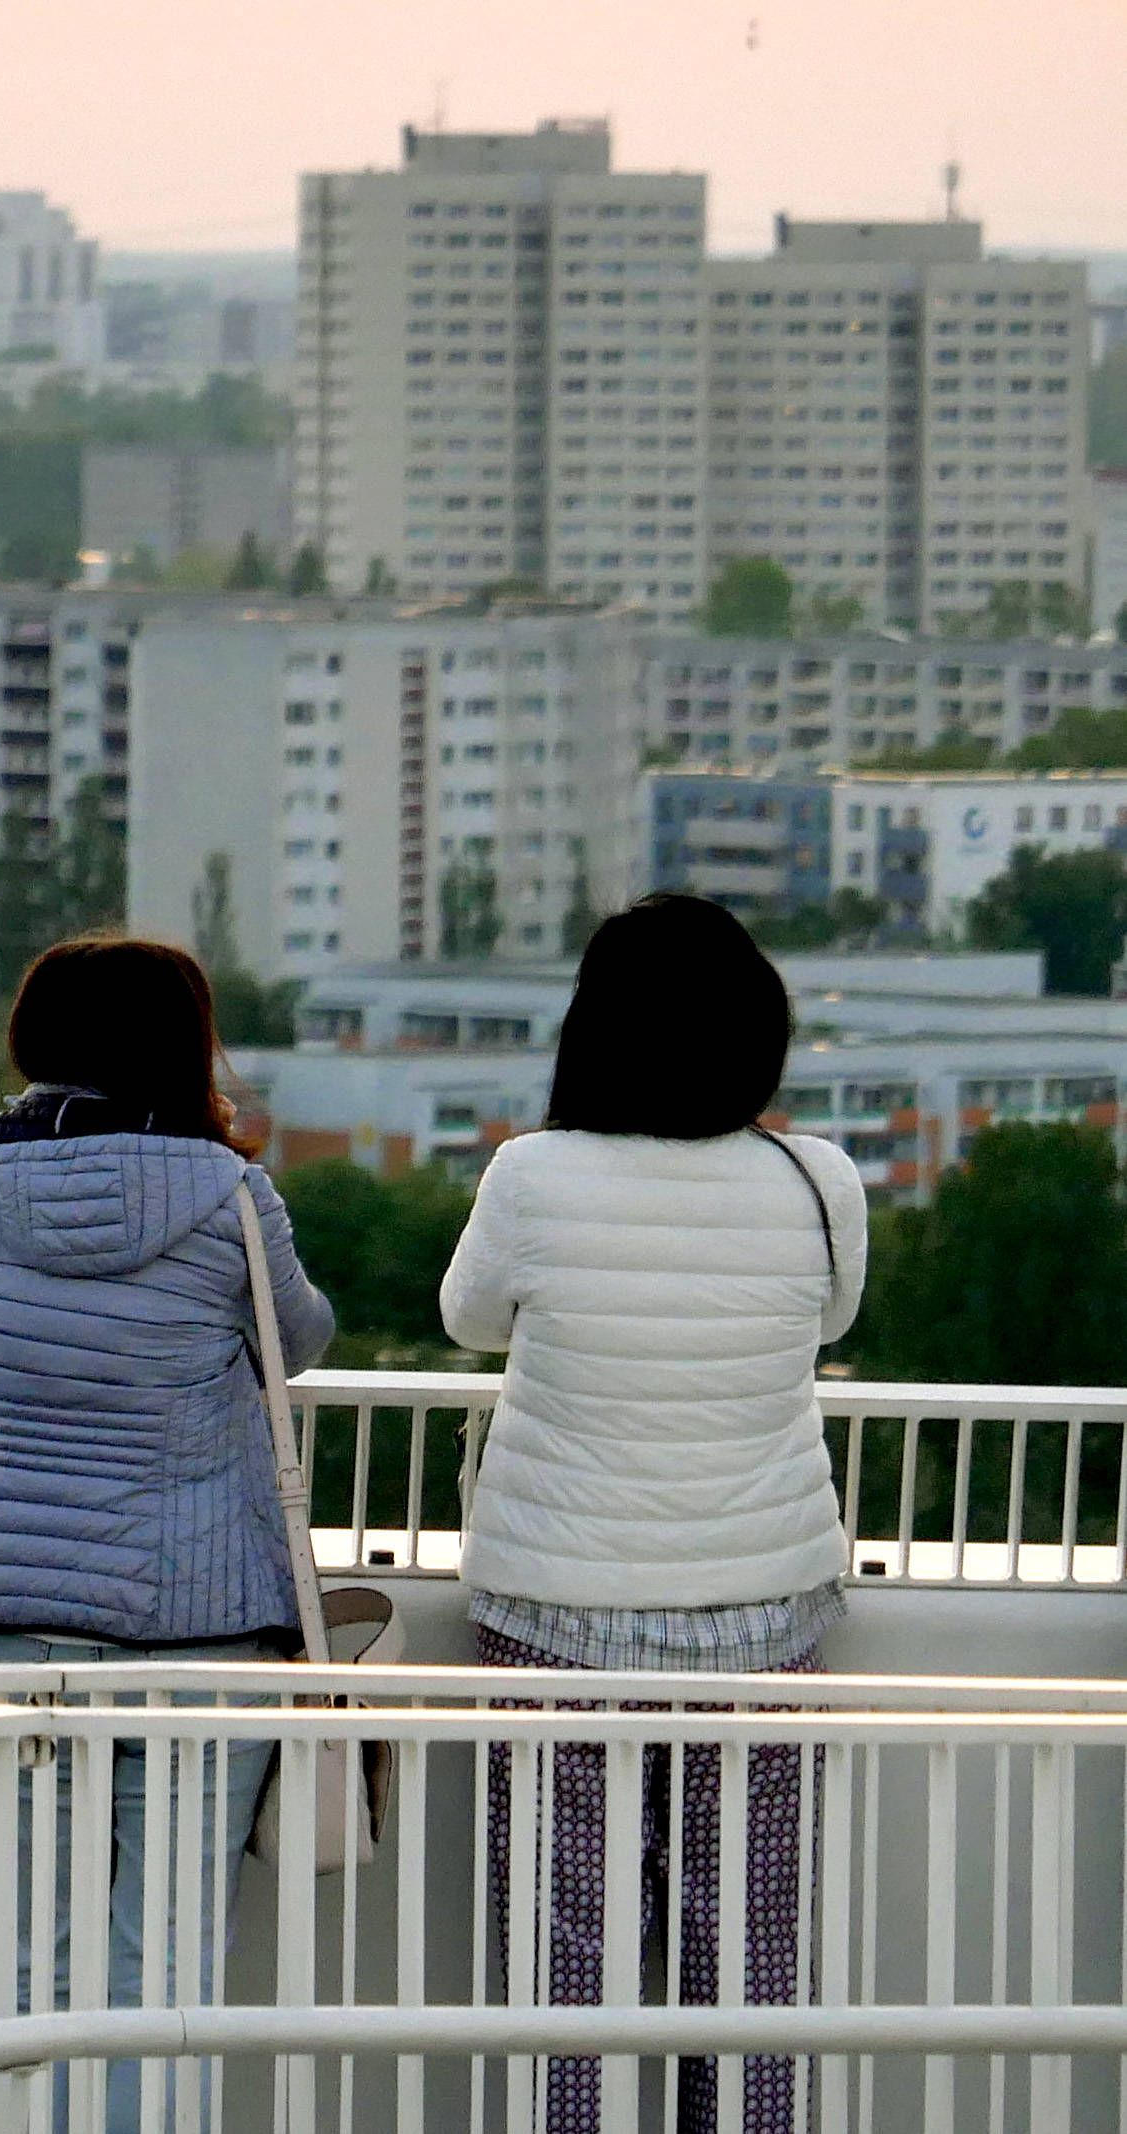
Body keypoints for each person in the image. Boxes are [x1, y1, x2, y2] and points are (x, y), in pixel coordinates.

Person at [444, 894, 863, 2134]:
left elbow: (468, 1320)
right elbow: (832, 1322)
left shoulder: (531, 1172)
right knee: (745, 1953)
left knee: (563, 1952)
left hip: (555, 1616)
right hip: (760, 1618)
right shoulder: (817, 1175)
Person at [0, 931, 331, 2127]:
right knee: (171, 1963)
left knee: (33, 1952)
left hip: (25, 1612)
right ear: (180, 1045)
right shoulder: (232, 1193)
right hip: (198, 1618)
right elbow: (294, 1343)